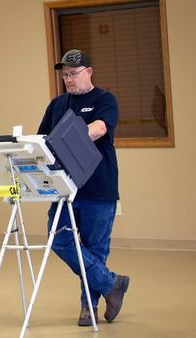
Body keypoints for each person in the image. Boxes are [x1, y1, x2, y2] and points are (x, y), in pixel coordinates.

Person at [37, 50, 129, 326]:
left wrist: (69, 139)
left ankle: (87, 306)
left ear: (88, 71)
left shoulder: (104, 99)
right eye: (64, 74)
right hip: (65, 189)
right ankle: (112, 284)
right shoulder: (56, 104)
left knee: (95, 249)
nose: (68, 79)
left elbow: (99, 128)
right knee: (60, 240)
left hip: (99, 188)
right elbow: (42, 138)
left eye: (73, 73)